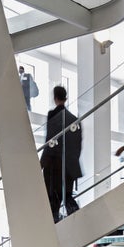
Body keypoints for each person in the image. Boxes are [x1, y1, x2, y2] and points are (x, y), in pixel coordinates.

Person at [40, 85, 82, 223]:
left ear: (55, 98)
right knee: (67, 196)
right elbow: (78, 144)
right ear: (66, 98)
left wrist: (42, 163)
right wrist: (73, 161)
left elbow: (50, 140)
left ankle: (56, 230)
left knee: (53, 201)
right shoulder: (74, 119)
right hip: (69, 165)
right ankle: (79, 221)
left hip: (54, 165)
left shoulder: (53, 115)